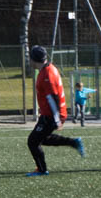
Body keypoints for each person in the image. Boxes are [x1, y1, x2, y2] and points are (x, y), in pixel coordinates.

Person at [27, 45, 85, 176]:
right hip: (50, 114)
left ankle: (42, 170)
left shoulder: (47, 74)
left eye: (30, 58)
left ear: (34, 59)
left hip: (51, 115)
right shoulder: (48, 69)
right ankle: (74, 142)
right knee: (42, 139)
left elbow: (53, 98)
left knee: (33, 141)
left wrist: (57, 119)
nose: (29, 61)